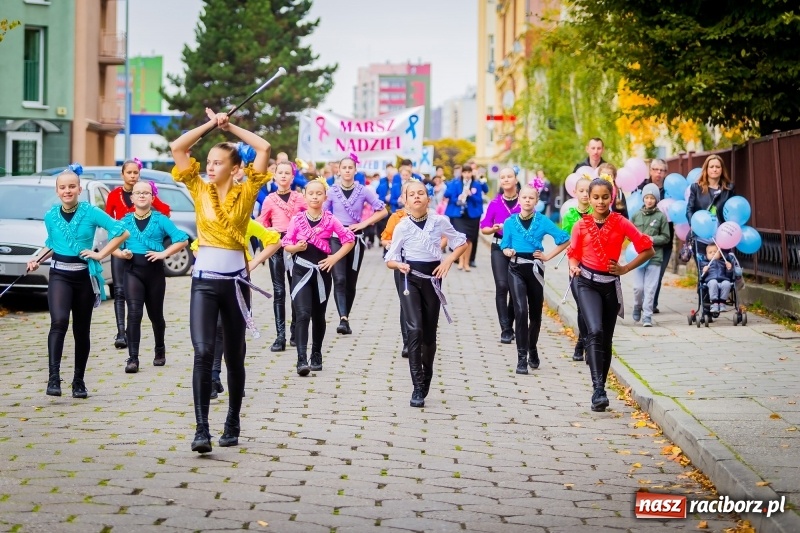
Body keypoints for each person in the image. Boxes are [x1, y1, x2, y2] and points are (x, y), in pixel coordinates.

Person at [170, 108, 272, 454]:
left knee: (235, 356)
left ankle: (233, 420)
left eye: (217, 161)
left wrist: (232, 127)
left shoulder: (247, 192)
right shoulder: (197, 187)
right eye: (209, 161)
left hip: (236, 285)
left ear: (235, 167)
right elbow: (178, 148)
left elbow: (264, 148)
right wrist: (211, 125)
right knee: (202, 351)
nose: (210, 166)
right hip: (204, 282)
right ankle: (202, 430)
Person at [27, 165, 129, 398]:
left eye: (72, 186)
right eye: (62, 187)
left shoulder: (91, 212)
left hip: (83, 276)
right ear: (57, 190)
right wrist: (35, 259)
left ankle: (79, 381)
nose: (67, 191)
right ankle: (54, 378)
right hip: (59, 275)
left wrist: (101, 255)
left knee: (81, 330)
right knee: (59, 322)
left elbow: (121, 231)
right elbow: (52, 243)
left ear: (79, 189)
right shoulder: (51, 215)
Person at [568, 178, 654, 412]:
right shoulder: (580, 225)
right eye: (595, 197)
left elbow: (648, 248)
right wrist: (573, 266)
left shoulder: (621, 222)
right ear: (588, 197)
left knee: (606, 340)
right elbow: (573, 253)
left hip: (610, 287)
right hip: (586, 283)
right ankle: (598, 390)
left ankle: (602, 384)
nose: (600, 201)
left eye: (605, 197)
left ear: (612, 197)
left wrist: (625, 268)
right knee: (594, 331)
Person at [385, 180, 467, 408]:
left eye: (421, 193)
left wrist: (449, 259)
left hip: (432, 278)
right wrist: (398, 265)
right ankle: (417, 384)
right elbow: (389, 259)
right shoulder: (402, 225)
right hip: (409, 277)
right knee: (415, 329)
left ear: (428, 198)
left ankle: (427, 371)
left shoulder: (440, 221)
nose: (417, 197)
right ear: (406, 200)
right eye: (412, 194)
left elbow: (461, 243)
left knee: (429, 334)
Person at [190, 219, 281, 399]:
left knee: (235, 333)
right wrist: (211, 261)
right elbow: (195, 247)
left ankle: (237, 377)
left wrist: (254, 262)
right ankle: (214, 377)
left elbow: (274, 240)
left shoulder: (245, 220)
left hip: (238, 282)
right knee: (216, 329)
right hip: (211, 282)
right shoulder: (210, 220)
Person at [112, 181, 189, 373]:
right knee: (135, 313)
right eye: (138, 193)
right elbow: (112, 246)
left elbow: (182, 239)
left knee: (156, 316)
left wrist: (163, 254)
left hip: (154, 272)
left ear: (152, 198)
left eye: (146, 193)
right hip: (132, 271)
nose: (142, 196)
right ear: (132, 198)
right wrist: (122, 254)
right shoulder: (125, 221)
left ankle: (160, 348)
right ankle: (133, 358)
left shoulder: (160, 219)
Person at [283, 179, 355, 376]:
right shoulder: (297, 220)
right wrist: (296, 248)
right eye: (311, 193)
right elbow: (286, 243)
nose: (314, 196)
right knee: (303, 313)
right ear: (304, 196)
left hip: (322, 273)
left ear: (325, 197)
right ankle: (301, 359)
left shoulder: (331, 219)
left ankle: (316, 353)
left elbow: (349, 240)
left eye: (318, 193)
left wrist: (334, 258)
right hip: (300, 272)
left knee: (318, 315)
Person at [500, 186, 570, 374]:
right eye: (524, 197)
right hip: (515, 268)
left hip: (535, 269)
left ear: (537, 200)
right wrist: (507, 251)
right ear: (519, 199)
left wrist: (548, 256)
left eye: (531, 197)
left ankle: (532, 347)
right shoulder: (509, 222)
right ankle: (521, 357)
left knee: (536, 315)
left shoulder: (543, 221)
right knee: (521, 310)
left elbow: (565, 238)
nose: (527, 200)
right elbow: (504, 244)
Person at [105, 158, 171, 350]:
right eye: (129, 173)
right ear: (122, 175)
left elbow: (165, 210)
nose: (133, 176)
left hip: (143, 253)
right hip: (121, 247)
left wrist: (154, 219)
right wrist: (117, 233)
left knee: (148, 306)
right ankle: (120, 332)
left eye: (136, 173)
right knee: (119, 290)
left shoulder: (146, 194)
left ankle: (154, 344)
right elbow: (108, 218)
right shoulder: (114, 195)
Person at [323, 156, 388, 335]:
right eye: (344, 167)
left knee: (351, 282)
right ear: (339, 170)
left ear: (355, 170)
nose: (347, 170)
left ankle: (347, 316)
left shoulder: (364, 190)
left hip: (355, 239)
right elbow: (324, 213)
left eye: (350, 167)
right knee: (339, 279)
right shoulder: (331, 191)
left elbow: (383, 210)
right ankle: (342, 318)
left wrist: (364, 224)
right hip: (336, 238)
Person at [257, 161, 307, 352]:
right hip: (277, 246)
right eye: (281, 173)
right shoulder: (269, 199)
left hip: (295, 247)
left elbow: (307, 218)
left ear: (293, 178)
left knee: (296, 289)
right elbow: (261, 223)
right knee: (279, 292)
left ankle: (295, 330)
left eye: (288, 173)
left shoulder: (299, 198)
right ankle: (280, 336)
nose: (284, 176)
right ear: (274, 176)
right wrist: (269, 231)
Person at [480, 167, 520, 344]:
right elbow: (485, 227)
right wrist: (494, 228)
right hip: (498, 247)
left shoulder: (523, 201)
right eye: (502, 177)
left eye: (509, 176)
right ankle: (505, 328)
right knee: (502, 285)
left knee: (514, 288)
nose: (506, 179)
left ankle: (511, 323)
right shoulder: (495, 203)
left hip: (519, 250)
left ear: (516, 180)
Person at [561, 176, 592, 361]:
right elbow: (565, 240)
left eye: (589, 191)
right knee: (582, 306)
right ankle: (584, 341)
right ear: (575, 192)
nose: (585, 194)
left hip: (595, 266)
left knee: (589, 307)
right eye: (582, 191)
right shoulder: (570, 215)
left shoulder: (598, 213)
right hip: (576, 267)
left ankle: (585, 342)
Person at [630, 184, 670, 327]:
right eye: (647, 197)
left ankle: (647, 316)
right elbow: (629, 234)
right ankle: (637, 305)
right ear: (643, 199)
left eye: (652, 198)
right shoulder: (636, 215)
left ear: (656, 200)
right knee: (638, 288)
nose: (649, 200)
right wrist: (635, 239)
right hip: (638, 257)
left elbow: (666, 237)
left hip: (655, 257)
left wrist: (652, 239)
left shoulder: (660, 217)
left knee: (650, 288)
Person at [635, 159, 672, 313]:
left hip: (663, 239)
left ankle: (651, 304)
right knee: (641, 275)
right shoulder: (640, 188)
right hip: (641, 241)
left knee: (658, 272)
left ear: (665, 173)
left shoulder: (670, 190)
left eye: (662, 170)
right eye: (655, 169)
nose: (658, 173)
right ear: (650, 171)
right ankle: (641, 303)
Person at [444, 166, 487, 272]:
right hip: (459, 215)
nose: (467, 175)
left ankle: (467, 262)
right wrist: (458, 197)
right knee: (461, 238)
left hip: (472, 215)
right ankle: (461, 261)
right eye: (465, 172)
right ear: (462, 173)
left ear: (471, 173)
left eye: (469, 172)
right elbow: (450, 195)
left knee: (469, 239)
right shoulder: (456, 183)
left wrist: (471, 195)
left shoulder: (476, 184)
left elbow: (480, 199)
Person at [686, 154, 735, 246]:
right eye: (711, 167)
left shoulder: (729, 189)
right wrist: (693, 224)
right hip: (700, 236)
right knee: (703, 260)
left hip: (722, 236)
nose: (714, 169)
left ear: (722, 169)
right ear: (706, 169)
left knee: (719, 261)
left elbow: (732, 212)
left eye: (717, 167)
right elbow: (690, 209)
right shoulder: (696, 188)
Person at [699, 243, 735, 313]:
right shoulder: (704, 263)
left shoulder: (724, 262)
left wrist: (729, 269)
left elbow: (729, 276)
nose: (713, 254)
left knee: (727, 283)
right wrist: (705, 271)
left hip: (723, 280)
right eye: (710, 252)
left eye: (715, 252)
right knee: (713, 282)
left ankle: (722, 303)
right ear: (706, 255)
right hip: (710, 281)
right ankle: (714, 303)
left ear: (720, 254)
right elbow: (702, 277)